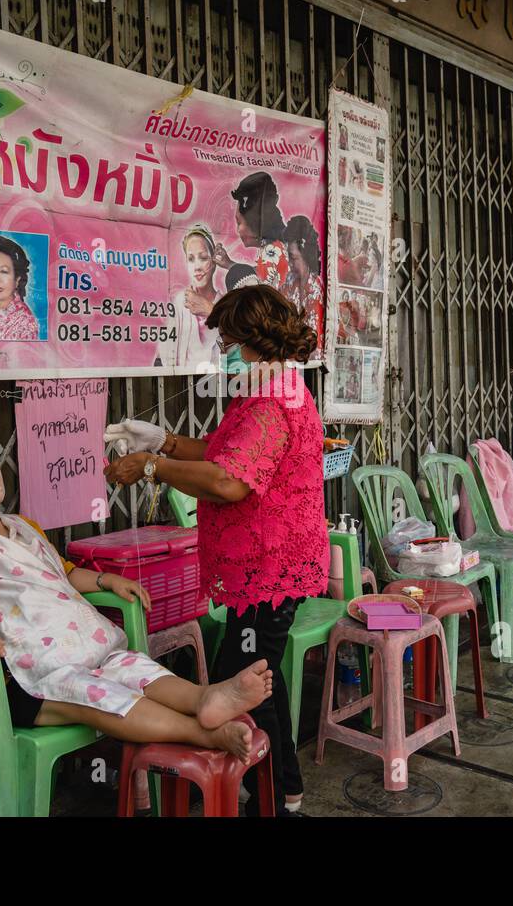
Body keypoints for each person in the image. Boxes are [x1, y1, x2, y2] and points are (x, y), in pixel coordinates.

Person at [0, 438, 272, 765]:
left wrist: (106, 579)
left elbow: (63, 573)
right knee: (98, 693)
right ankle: (204, 734)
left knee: (131, 666)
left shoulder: (23, 528)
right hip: (18, 681)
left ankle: (205, 698)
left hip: (75, 650)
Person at [104, 285, 327, 816]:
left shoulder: (273, 402)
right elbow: (223, 454)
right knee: (259, 677)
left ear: (254, 339)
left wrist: (152, 467)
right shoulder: (267, 391)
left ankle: (274, 800)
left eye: (228, 342)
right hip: (264, 569)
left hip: (270, 569)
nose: (223, 352)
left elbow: (229, 481)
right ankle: (284, 790)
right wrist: (164, 442)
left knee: (245, 681)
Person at [159, 226, 221, 368]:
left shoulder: (227, 304)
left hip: (221, 380)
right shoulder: (180, 302)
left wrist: (211, 310)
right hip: (185, 381)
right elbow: (168, 349)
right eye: (191, 259)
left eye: (203, 258)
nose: (197, 267)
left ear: (213, 262)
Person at [214, 172, 289, 289]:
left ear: (254, 222)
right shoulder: (277, 246)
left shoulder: (274, 250)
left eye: (239, 222)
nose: (237, 230)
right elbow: (260, 274)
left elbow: (258, 289)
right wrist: (229, 263)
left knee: (236, 276)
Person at [283, 215, 323, 346]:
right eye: (289, 257)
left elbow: (313, 341)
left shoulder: (317, 291)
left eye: (294, 258)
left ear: (307, 256)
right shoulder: (290, 279)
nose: (290, 263)